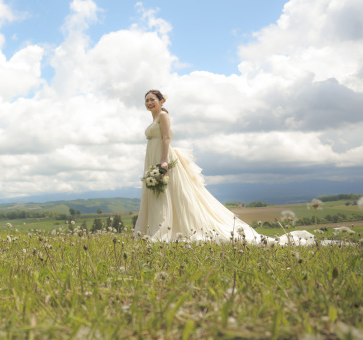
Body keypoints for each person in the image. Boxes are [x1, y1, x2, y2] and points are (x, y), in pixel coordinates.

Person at [133, 90, 314, 245]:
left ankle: (168, 230)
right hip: (152, 156)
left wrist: (164, 161)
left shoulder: (163, 116)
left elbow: (166, 138)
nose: (149, 103)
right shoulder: (154, 118)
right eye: (146, 100)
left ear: (161, 101)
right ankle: (154, 229)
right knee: (158, 192)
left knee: (171, 192)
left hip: (163, 156)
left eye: (152, 99)